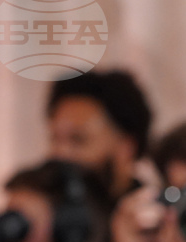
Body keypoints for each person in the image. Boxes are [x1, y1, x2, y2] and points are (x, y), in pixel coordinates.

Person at [47, 70, 153, 204]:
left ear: (127, 146)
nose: (60, 154)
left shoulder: (162, 219)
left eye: (78, 139)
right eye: (55, 139)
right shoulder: (45, 218)